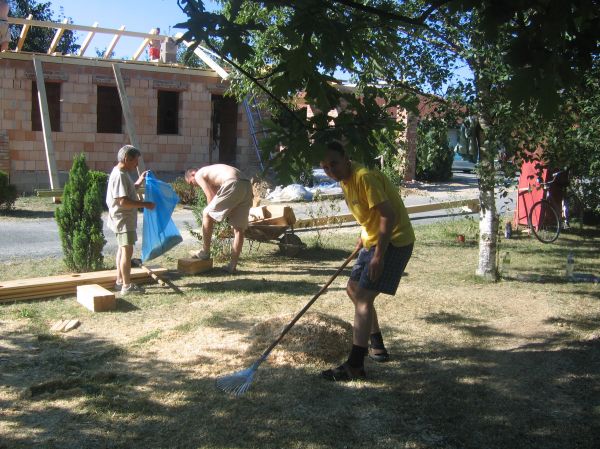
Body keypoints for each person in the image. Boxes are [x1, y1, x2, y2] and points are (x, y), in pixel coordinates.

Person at [319, 141, 415, 382]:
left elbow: (388, 215)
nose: (331, 170)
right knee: (353, 289)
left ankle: (355, 365)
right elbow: (369, 216)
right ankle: (376, 343)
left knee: (363, 296)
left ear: (346, 157)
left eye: (334, 163)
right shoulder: (345, 180)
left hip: (394, 241)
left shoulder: (364, 177)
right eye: (325, 167)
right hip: (373, 240)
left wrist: (379, 257)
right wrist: (363, 237)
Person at [185, 164, 253, 274]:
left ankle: (205, 252)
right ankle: (232, 265)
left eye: (191, 183)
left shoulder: (199, 174)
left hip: (232, 182)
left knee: (206, 213)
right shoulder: (213, 174)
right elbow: (217, 196)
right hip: (246, 184)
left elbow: (210, 196)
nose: (194, 186)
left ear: (192, 174)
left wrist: (211, 217)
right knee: (239, 229)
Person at [106, 145, 155, 296]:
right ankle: (126, 286)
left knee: (122, 250)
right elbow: (123, 201)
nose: (136, 165)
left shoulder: (121, 172)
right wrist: (145, 204)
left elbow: (128, 191)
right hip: (123, 220)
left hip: (121, 219)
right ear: (127, 159)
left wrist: (139, 181)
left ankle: (120, 281)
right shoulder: (120, 175)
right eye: (135, 161)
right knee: (127, 251)